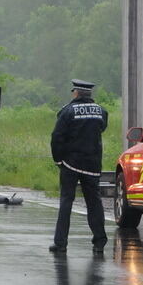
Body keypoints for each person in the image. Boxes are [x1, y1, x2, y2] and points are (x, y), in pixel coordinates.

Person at [49, 79, 109, 254]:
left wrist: (58, 160)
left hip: (71, 164)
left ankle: (61, 243)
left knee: (66, 202)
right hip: (92, 164)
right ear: (89, 94)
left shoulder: (67, 112)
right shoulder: (101, 111)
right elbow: (102, 128)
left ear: (76, 93)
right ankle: (99, 241)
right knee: (94, 203)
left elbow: (57, 137)